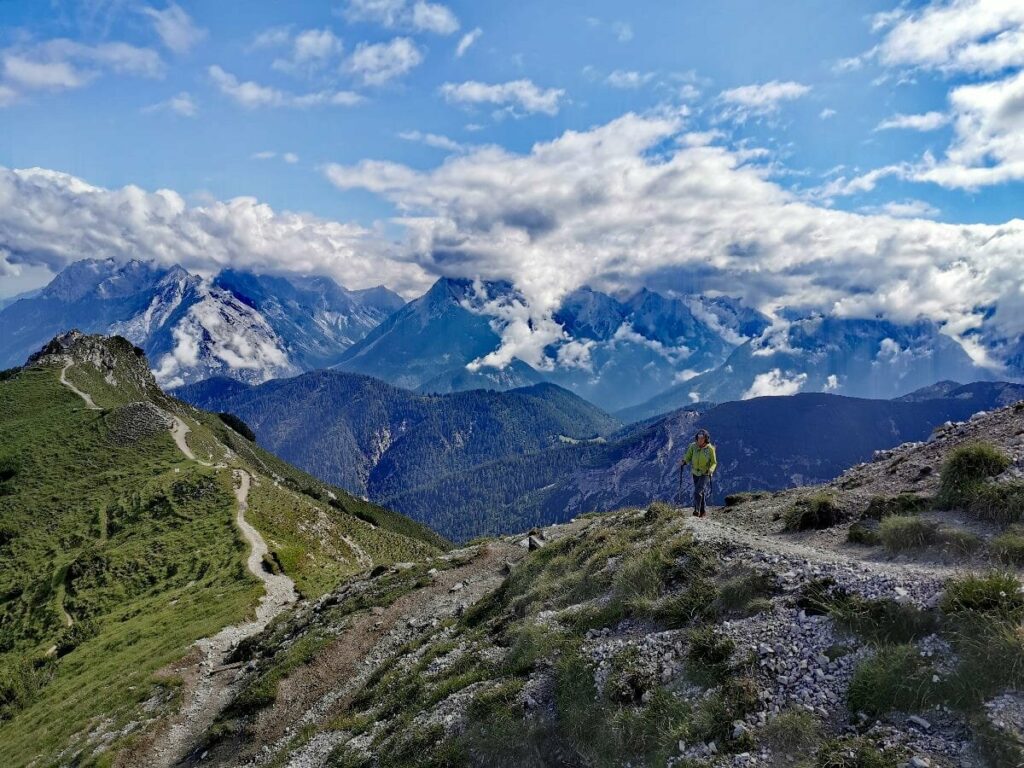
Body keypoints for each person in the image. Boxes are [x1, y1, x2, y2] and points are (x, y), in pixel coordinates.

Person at [680, 428, 717, 517]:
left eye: (702, 438)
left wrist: (711, 470)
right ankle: (703, 511)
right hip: (695, 473)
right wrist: (684, 461)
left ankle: (696, 511)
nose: (699, 440)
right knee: (701, 492)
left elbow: (714, 462)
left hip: (705, 473)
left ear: (706, 439)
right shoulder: (693, 446)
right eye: (698, 438)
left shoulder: (710, 449)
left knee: (697, 491)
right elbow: (688, 456)